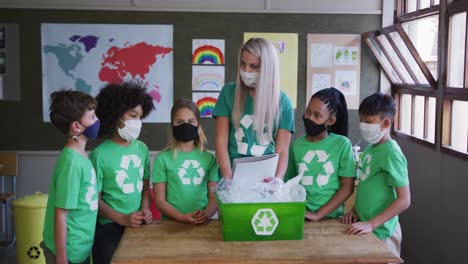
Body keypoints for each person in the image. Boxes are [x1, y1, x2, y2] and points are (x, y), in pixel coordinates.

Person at [90, 82, 154, 264]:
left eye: (140, 117)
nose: (137, 122)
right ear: (115, 115)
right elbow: (95, 199)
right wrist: (121, 218)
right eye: (132, 116)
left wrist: (145, 209)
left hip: (137, 223)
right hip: (109, 226)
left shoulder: (142, 149)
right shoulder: (99, 155)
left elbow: (145, 187)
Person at [213, 37, 294, 180]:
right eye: (243, 64)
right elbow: (221, 142)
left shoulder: (283, 102)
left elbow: (282, 150)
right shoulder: (228, 93)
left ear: (267, 68)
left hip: (266, 178)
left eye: (253, 66)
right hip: (232, 174)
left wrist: (277, 180)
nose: (246, 70)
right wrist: (228, 178)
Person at [342, 92, 411, 257]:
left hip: (383, 232)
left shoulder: (392, 153)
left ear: (386, 123)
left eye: (368, 121)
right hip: (365, 227)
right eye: (361, 120)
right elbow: (367, 185)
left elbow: (404, 200)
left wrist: (372, 224)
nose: (363, 125)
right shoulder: (370, 148)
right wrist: (355, 211)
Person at [42, 90, 100, 264]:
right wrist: (61, 258)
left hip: (80, 248)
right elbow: (61, 213)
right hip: (67, 253)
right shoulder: (71, 164)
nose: (97, 120)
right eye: (92, 117)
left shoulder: (82, 156)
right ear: (76, 126)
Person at [285, 88, 355, 221]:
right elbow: (290, 184)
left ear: (331, 121)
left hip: (332, 218)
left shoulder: (342, 144)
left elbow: (347, 187)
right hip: (302, 216)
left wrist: (318, 214)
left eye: (317, 115)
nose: (309, 118)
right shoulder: (296, 145)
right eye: (308, 112)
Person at [153, 99, 219, 224]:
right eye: (180, 121)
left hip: (201, 224)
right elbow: (160, 201)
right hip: (171, 224)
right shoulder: (162, 159)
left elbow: (213, 196)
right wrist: (181, 217)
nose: (185, 125)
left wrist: (207, 214)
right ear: (172, 125)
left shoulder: (209, 159)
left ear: (198, 125)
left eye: (191, 121)